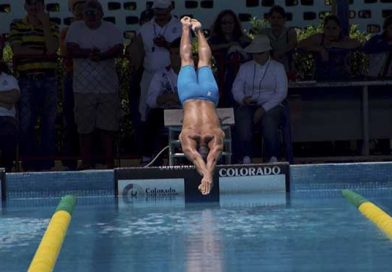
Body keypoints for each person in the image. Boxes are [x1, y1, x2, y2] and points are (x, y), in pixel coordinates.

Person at [66, 0, 123, 169]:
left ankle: (109, 161)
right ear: (82, 15)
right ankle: (86, 161)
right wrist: (89, 54)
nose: (91, 17)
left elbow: (119, 48)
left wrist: (103, 56)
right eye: (87, 14)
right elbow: (70, 49)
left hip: (108, 86)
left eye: (94, 13)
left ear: (101, 14)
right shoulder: (75, 28)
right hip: (83, 87)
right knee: (84, 127)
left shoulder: (111, 29)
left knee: (108, 127)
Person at [8, 0, 59, 171]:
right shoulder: (17, 26)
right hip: (27, 79)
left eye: (37, 3)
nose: (34, 7)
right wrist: (42, 53)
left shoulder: (51, 26)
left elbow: (53, 49)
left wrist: (44, 25)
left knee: (49, 123)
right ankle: (29, 164)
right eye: (30, 4)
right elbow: (17, 50)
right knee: (26, 123)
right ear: (25, 6)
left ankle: (46, 164)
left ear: (42, 6)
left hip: (48, 79)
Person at [178, 17, 225, 195]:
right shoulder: (214, 135)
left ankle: (191, 29)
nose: (205, 153)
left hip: (199, 95)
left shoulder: (189, 136)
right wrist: (207, 176)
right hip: (202, 95)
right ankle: (193, 30)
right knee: (196, 62)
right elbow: (209, 157)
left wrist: (206, 175)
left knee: (193, 62)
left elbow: (197, 158)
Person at [131, 0, 181, 164]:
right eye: (157, 10)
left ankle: (178, 154)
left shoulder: (180, 26)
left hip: (177, 74)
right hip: (150, 75)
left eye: (163, 10)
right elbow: (135, 52)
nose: (160, 14)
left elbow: (182, 49)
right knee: (145, 114)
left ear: (170, 8)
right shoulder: (144, 29)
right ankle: (146, 155)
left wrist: (166, 45)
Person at [231, 35, 288, 164]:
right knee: (242, 116)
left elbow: (281, 93)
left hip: (272, 104)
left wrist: (263, 109)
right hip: (250, 103)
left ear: (268, 52)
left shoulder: (278, 68)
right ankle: (246, 156)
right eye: (254, 53)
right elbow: (236, 88)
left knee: (269, 120)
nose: (257, 56)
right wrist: (242, 99)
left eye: (260, 53)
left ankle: (273, 156)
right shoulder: (245, 67)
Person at [60, 0, 87, 170]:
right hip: (72, 76)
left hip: (92, 79)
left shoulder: (97, 29)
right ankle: (69, 161)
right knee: (70, 120)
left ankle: (90, 159)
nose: (80, 10)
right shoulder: (66, 31)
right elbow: (65, 53)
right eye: (77, 6)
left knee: (91, 121)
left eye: (84, 5)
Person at [145, 38, 181, 163]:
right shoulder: (161, 74)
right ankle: (153, 158)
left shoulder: (197, 72)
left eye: (177, 54)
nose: (173, 57)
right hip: (166, 113)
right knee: (153, 115)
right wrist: (168, 97)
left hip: (190, 113)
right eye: (171, 53)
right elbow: (150, 100)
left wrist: (180, 99)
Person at [297, 15, 361, 81]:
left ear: (339, 29)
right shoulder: (319, 38)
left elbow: (357, 43)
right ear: (324, 29)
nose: (331, 31)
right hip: (321, 78)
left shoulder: (343, 39)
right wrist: (320, 48)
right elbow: (300, 45)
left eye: (334, 28)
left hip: (342, 78)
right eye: (328, 28)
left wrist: (335, 45)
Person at [209, 9, 251, 107]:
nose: (227, 25)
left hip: (241, 79)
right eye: (224, 23)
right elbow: (207, 49)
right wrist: (229, 45)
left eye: (230, 22)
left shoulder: (243, 39)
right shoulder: (214, 40)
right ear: (219, 24)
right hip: (219, 79)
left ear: (235, 24)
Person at [259, 5, 297, 74]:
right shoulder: (264, 33)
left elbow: (292, 44)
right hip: (267, 70)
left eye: (279, 18)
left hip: (286, 70)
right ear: (269, 19)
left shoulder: (290, 32)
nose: (276, 20)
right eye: (273, 18)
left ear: (284, 19)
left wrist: (278, 53)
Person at [0, 61, 20, 171]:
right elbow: (8, 100)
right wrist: (4, 99)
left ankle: (6, 170)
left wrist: (8, 100)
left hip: (6, 119)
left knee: (7, 131)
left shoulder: (10, 79)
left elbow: (14, 97)